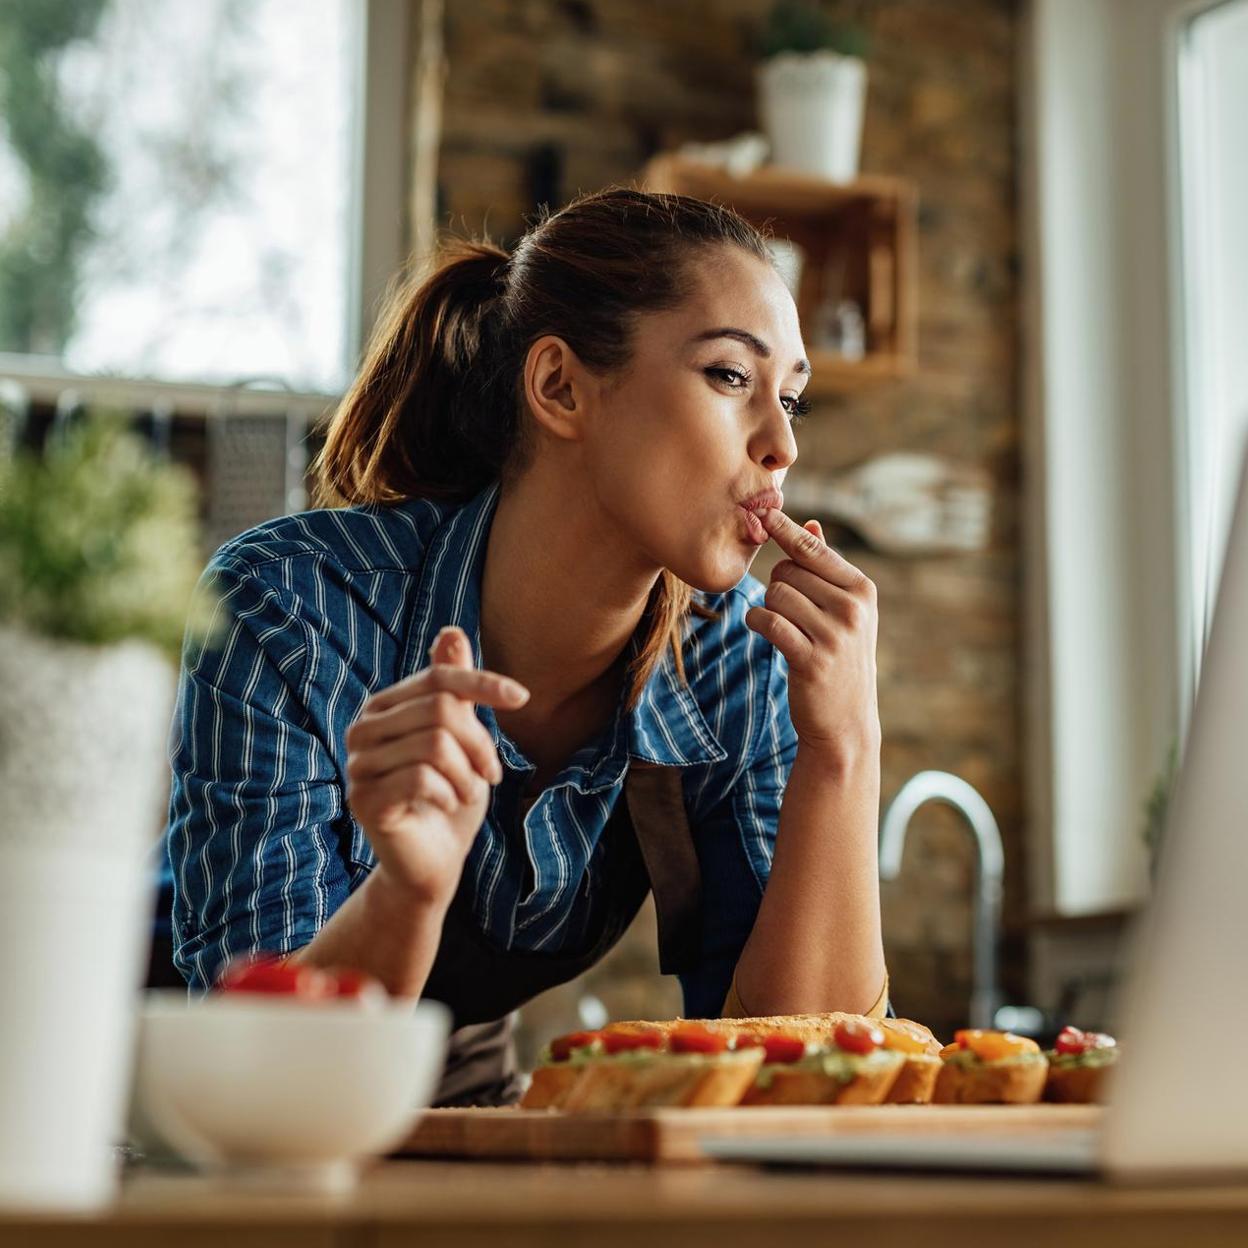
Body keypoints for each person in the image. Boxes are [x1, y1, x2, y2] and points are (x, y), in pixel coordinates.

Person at [160, 187, 888, 1105]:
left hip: (452, 1083)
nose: (781, 443)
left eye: (793, 399)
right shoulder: (293, 607)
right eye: (731, 377)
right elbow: (254, 1082)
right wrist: (407, 893)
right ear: (560, 388)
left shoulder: (739, 662)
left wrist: (845, 750)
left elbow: (801, 1080)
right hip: (173, 1088)